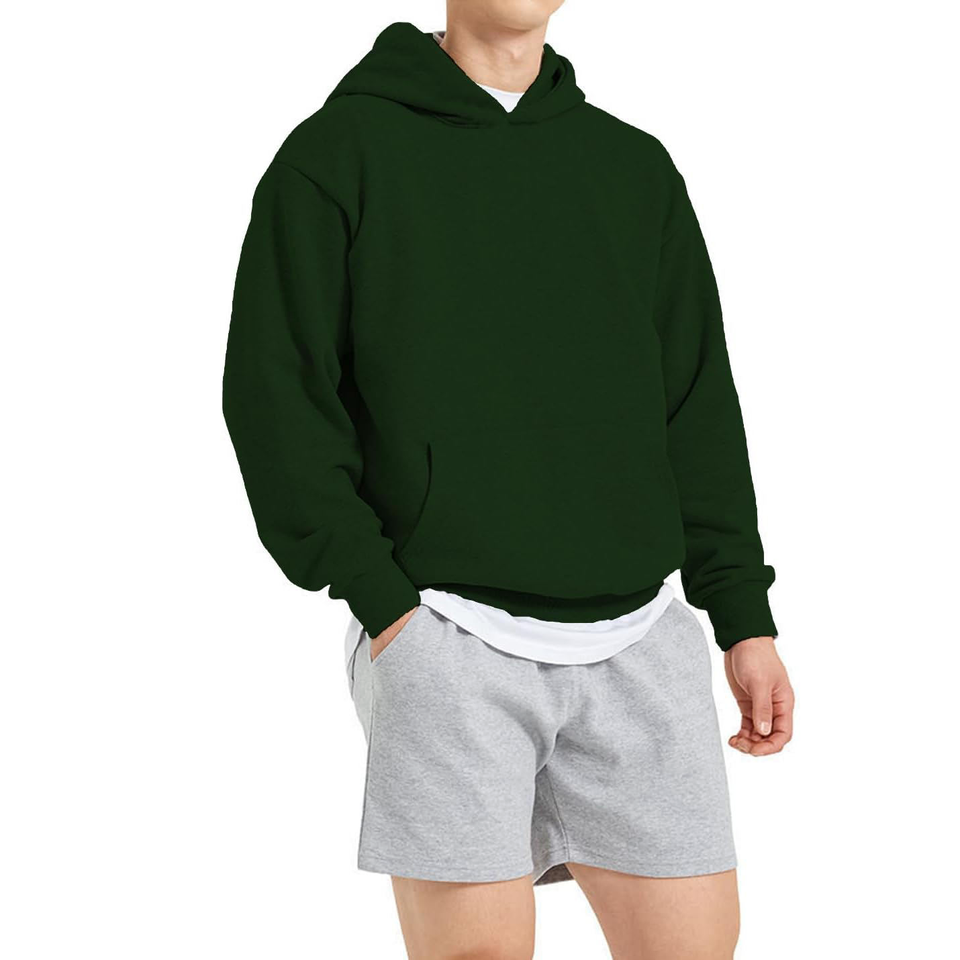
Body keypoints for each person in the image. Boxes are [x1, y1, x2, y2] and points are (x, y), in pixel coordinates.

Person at [223, 2, 795, 957]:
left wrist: (743, 616)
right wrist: (383, 603)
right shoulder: (338, 155)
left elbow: (696, 406)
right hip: (447, 633)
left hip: (639, 639)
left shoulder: (632, 168)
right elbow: (276, 398)